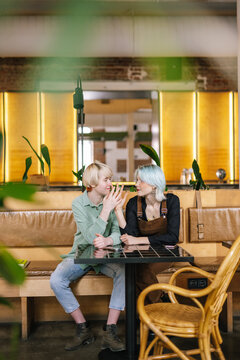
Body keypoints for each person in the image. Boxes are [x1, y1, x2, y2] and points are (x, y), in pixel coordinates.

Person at [50, 161, 125, 352]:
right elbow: (90, 237)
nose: (110, 183)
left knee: (125, 273)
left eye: (110, 179)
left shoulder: (112, 199)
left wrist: (108, 241)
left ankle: (110, 331)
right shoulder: (78, 203)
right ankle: (83, 328)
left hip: (106, 257)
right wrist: (106, 210)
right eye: (106, 179)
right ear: (93, 182)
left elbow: (119, 234)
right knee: (56, 280)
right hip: (81, 255)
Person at [114, 164, 180, 304]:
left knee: (139, 270)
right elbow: (129, 237)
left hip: (166, 254)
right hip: (142, 255)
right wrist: (118, 212)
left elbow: (172, 238)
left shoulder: (172, 201)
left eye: (140, 181)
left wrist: (138, 240)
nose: (136, 184)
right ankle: (160, 303)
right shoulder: (133, 203)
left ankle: (146, 314)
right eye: (136, 180)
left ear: (155, 185)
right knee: (135, 268)